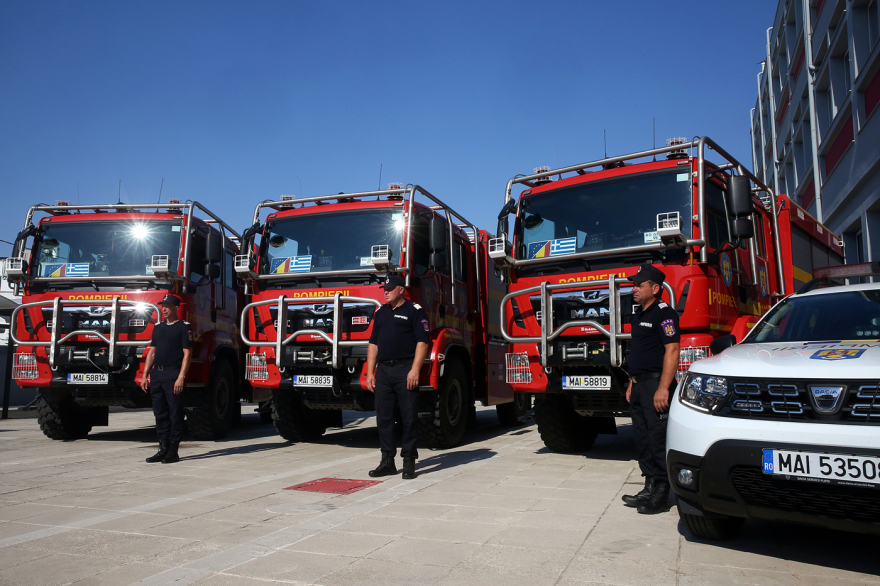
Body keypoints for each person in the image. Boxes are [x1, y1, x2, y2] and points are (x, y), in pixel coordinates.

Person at [621, 264, 680, 514]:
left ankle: (661, 493)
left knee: (657, 438)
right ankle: (649, 486)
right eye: (634, 284)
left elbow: (672, 349)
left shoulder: (664, 314)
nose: (634, 289)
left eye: (639, 285)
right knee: (643, 438)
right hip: (639, 385)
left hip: (657, 384)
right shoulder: (640, 314)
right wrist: (632, 383)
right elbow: (640, 352)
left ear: (655, 289)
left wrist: (664, 388)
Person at [365, 274, 430, 480]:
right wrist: (369, 372)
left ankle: (409, 461)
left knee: (409, 417)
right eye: (385, 288)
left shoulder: (414, 311)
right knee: (383, 418)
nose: (386, 291)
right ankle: (387, 461)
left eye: (391, 288)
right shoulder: (381, 312)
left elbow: (422, 341)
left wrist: (415, 370)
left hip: (405, 369)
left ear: (401, 290)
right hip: (383, 371)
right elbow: (373, 344)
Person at [141, 294, 193, 464]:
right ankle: (162, 448)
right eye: (163, 306)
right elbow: (152, 352)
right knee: (159, 412)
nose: (164, 309)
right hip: (157, 374)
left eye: (168, 306)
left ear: (176, 308)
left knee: (174, 412)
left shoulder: (184, 327)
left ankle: (173, 450)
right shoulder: (158, 327)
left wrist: (181, 377)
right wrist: (145, 375)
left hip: (173, 374)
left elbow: (187, 354)